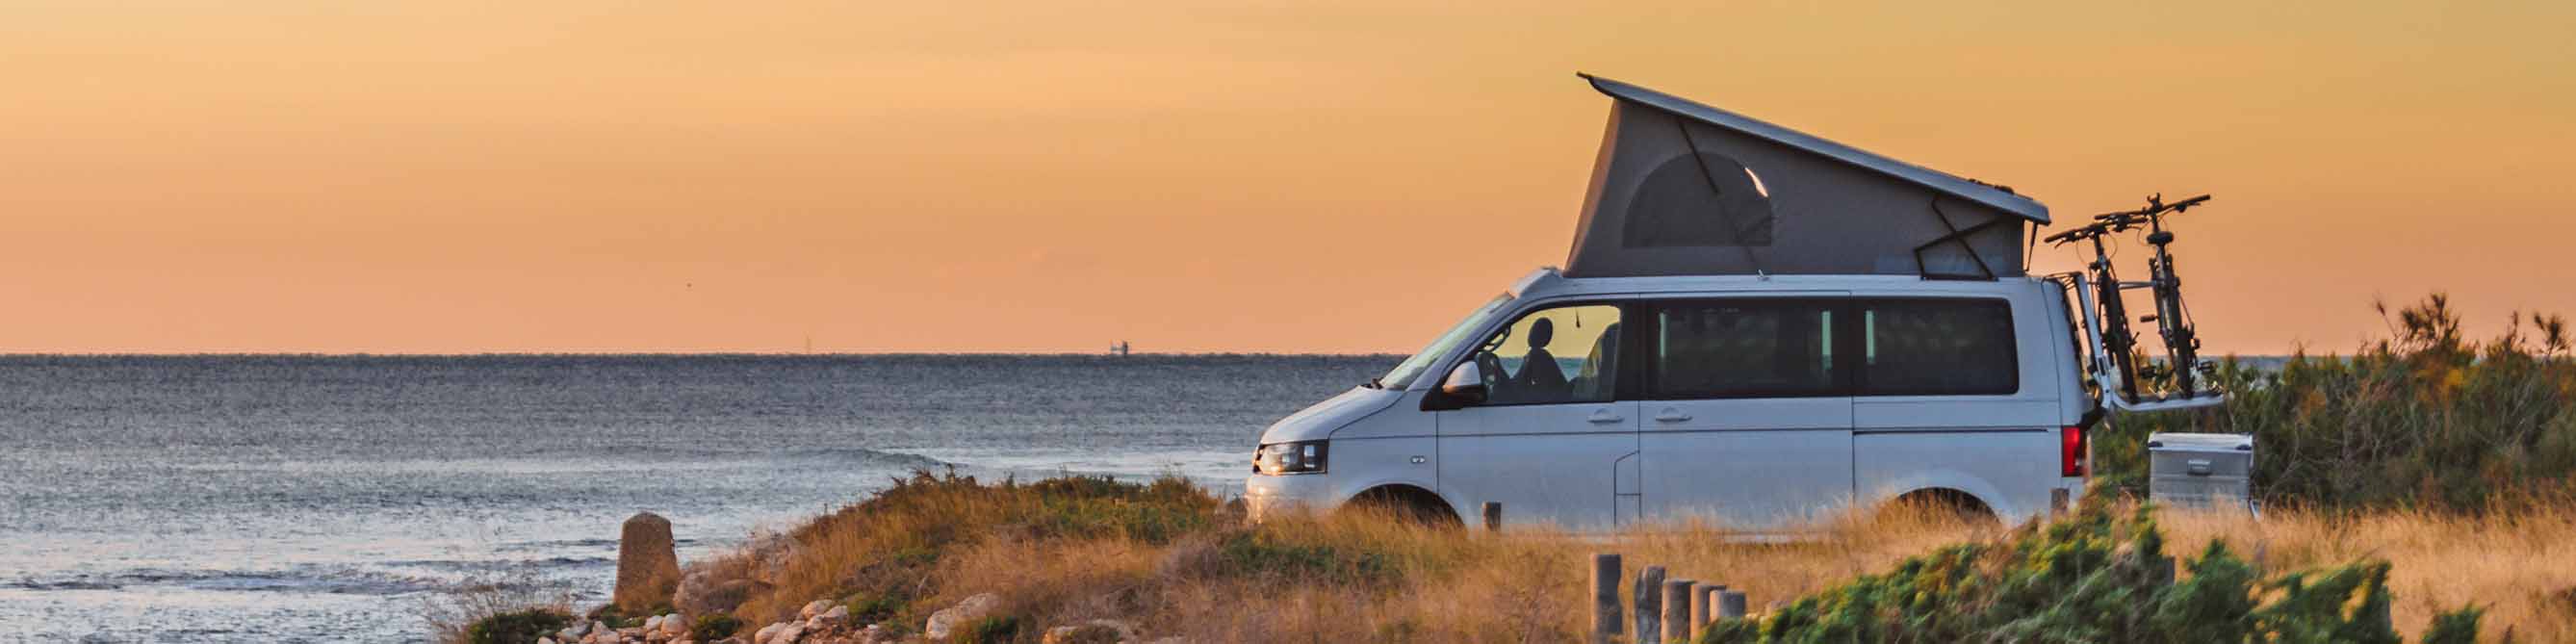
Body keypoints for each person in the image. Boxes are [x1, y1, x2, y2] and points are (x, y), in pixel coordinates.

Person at [1513, 318, 1568, 396]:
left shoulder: (1537, 355)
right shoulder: (1541, 354)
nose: (1531, 333)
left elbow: (1518, 383)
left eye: (1534, 331)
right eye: (1532, 330)